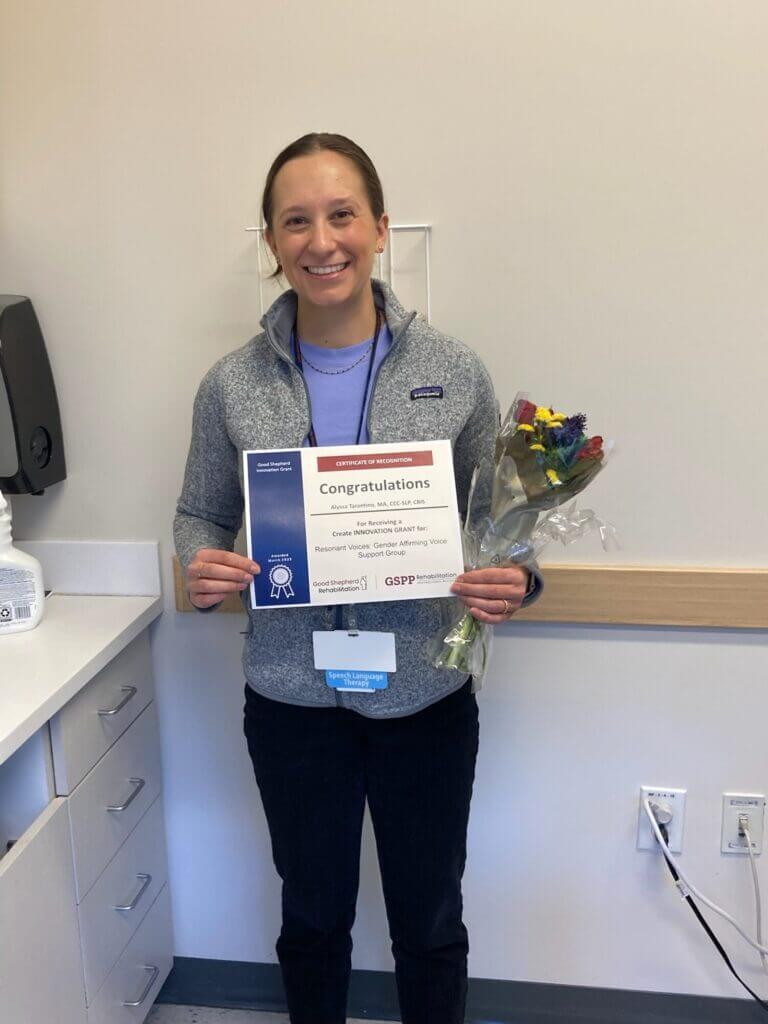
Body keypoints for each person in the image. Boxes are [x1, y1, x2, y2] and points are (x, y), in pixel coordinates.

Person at [174, 132, 541, 1024]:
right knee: (311, 920)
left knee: (429, 922)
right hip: (293, 700)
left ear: (379, 228)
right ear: (271, 243)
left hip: (424, 698)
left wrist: (516, 580)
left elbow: (501, 524)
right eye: (295, 221)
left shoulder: (452, 370)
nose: (321, 240)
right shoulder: (230, 385)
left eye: (341, 215)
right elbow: (198, 513)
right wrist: (199, 565)